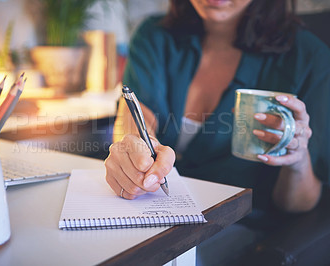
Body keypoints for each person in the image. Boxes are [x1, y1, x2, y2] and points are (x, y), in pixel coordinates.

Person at [104, 0, 330, 264]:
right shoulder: (155, 35)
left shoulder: (309, 57)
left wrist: (297, 158)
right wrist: (132, 148)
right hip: (155, 216)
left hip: (240, 229)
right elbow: (135, 117)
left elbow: (300, 204)